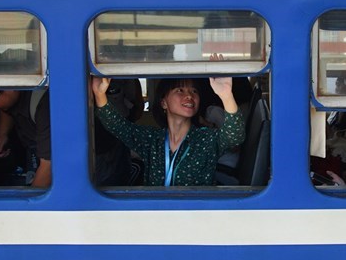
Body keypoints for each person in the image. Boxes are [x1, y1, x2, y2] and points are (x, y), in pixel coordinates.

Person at [91, 75, 244, 186]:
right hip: (157, 216)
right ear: (164, 102)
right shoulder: (151, 139)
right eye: (180, 90)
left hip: (196, 217)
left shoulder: (206, 138)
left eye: (194, 92)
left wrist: (226, 95)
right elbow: (117, 126)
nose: (189, 96)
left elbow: (235, 135)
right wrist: (99, 94)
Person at [0, 89, 51, 188]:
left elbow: (48, 167)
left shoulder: (45, 107)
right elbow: (8, 106)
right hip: (33, 153)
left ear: (8, 89)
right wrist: (2, 134)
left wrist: (30, 201)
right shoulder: (14, 97)